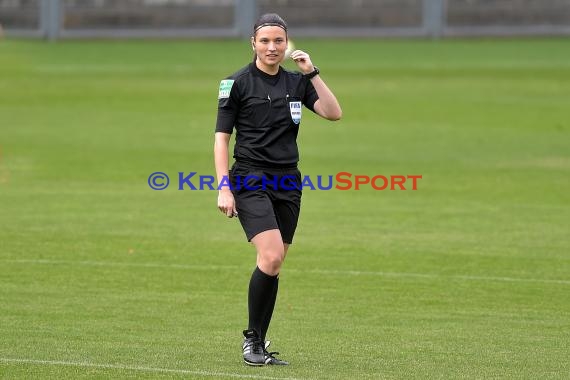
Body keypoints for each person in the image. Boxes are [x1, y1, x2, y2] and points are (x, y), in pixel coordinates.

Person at [214, 13, 342, 366]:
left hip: (288, 181)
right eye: (266, 40)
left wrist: (311, 73)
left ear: (287, 45)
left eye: (279, 41)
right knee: (270, 256)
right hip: (250, 178)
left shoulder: (296, 83)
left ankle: (258, 342)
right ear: (253, 43)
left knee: (274, 262)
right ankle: (251, 342)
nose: (272, 47)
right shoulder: (236, 83)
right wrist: (224, 188)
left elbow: (333, 113)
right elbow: (221, 140)